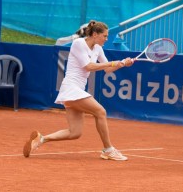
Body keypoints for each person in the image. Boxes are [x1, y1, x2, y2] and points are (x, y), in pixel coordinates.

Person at [23, 20, 134, 161]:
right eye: (104, 36)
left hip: (76, 91)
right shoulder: (79, 44)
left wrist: (123, 63)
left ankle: (41, 139)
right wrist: (112, 62)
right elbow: (88, 66)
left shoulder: (98, 48)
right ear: (95, 34)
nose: (106, 39)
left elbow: (107, 69)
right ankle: (108, 150)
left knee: (74, 132)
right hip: (71, 88)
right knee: (100, 111)